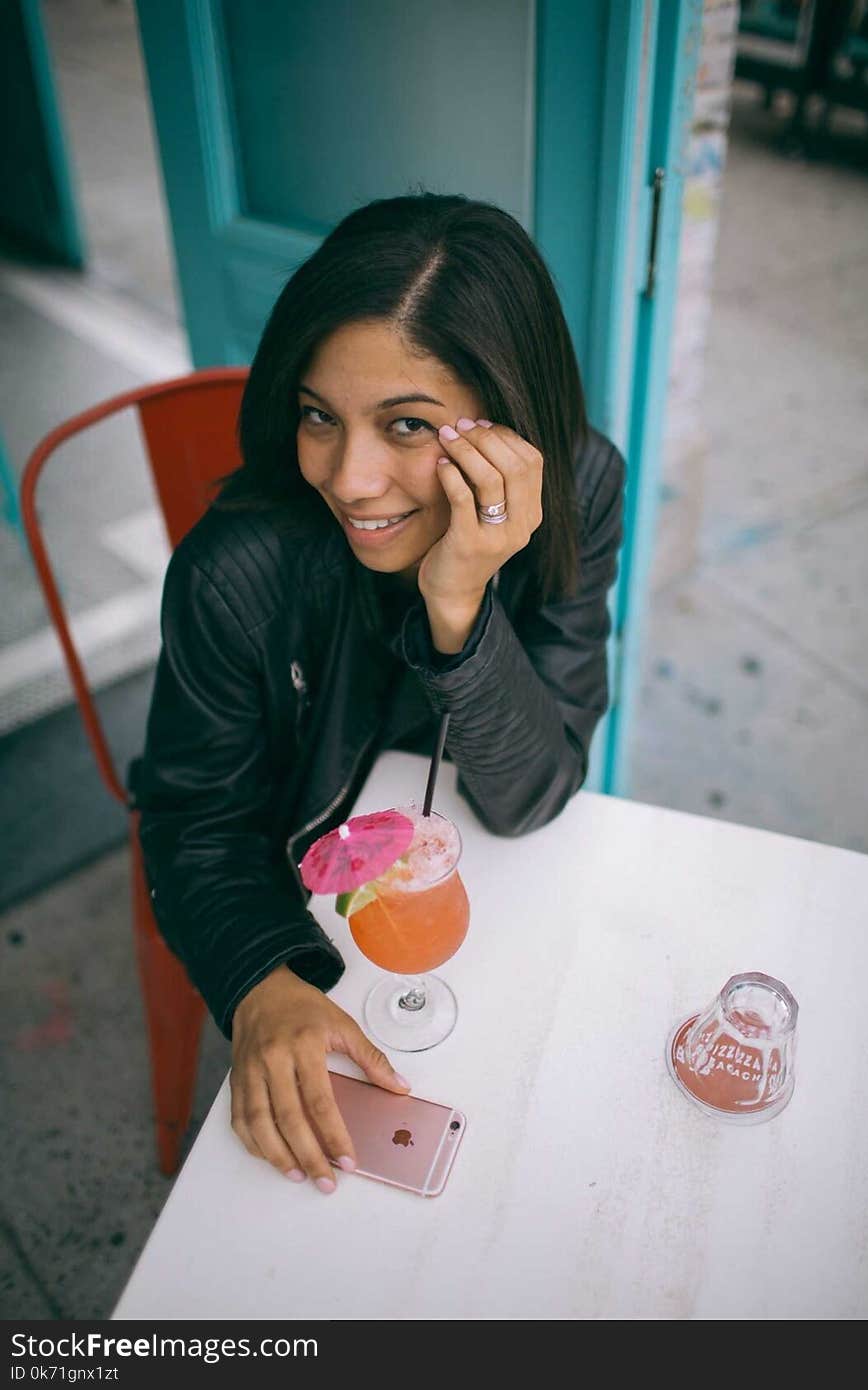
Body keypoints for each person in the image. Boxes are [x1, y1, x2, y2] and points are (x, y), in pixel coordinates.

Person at [136, 191, 625, 1195]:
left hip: (490, 886)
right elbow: (196, 818)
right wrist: (263, 983)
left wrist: (460, 601)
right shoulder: (237, 567)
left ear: (511, 423)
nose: (349, 478)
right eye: (319, 414)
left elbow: (532, 793)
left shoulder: (579, 486)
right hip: (307, 902)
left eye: (406, 425)